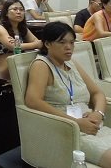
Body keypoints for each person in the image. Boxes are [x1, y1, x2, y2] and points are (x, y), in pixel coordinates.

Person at [25, 22, 111, 167]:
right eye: (62, 42)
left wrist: (98, 113)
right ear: (47, 44)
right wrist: (76, 123)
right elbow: (32, 101)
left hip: (91, 125)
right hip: (65, 129)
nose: (68, 47)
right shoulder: (42, 65)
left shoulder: (71, 64)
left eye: (72, 42)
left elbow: (97, 93)